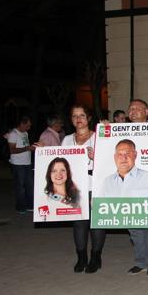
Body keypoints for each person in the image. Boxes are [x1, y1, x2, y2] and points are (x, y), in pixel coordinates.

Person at [108, 99, 148, 277]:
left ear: (147, 112)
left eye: (139, 108)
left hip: (147, 185)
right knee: (135, 232)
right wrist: (104, 129)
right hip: (127, 189)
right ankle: (140, 262)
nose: (134, 110)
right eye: (131, 108)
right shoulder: (119, 131)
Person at [61, 104, 103, 273]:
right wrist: (43, 152)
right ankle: (81, 257)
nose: (78, 119)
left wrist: (97, 157)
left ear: (89, 118)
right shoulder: (66, 140)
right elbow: (59, 161)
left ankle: (96, 257)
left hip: (95, 186)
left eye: (82, 115)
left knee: (97, 223)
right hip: (75, 188)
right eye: (74, 116)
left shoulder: (99, 137)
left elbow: (109, 163)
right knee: (79, 224)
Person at [7, 116, 36, 214]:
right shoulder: (13, 134)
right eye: (27, 125)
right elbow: (12, 150)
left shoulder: (25, 133)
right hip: (17, 164)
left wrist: (32, 148)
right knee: (20, 187)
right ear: (21, 124)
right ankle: (20, 207)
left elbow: (25, 146)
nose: (29, 127)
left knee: (29, 186)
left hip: (27, 163)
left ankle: (29, 205)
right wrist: (28, 148)